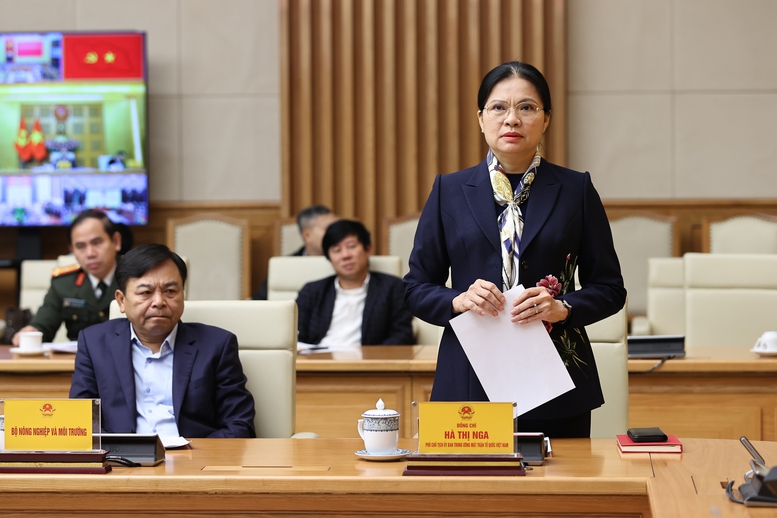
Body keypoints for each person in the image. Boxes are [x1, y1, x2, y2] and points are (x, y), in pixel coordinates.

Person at [403, 61, 626, 438]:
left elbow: (610, 288)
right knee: (470, 478)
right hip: (469, 377)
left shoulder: (576, 191)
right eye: (498, 107)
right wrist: (459, 300)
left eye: (526, 107)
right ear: (480, 118)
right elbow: (415, 288)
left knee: (559, 477)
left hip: (556, 377)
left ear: (546, 118)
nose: (512, 119)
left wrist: (563, 308)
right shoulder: (448, 192)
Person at [69, 243, 256, 438]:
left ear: (183, 295)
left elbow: (239, 424)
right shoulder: (94, 343)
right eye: (145, 293)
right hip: (123, 456)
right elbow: (81, 421)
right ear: (121, 300)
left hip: (194, 455)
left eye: (170, 291)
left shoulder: (217, 345)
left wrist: (194, 453)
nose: (159, 302)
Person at [12, 210, 122, 346]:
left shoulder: (136, 276)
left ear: (116, 241)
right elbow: (43, 325)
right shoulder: (64, 283)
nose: (90, 253)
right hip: (79, 357)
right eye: (80, 246)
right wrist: (31, 332)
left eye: (97, 243)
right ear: (72, 251)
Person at [296, 219, 413, 347]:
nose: (345, 255)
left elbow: (402, 335)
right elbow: (295, 335)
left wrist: (372, 357)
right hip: (318, 357)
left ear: (367, 249)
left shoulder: (392, 287)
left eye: (351, 246)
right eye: (337, 250)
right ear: (329, 258)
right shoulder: (312, 291)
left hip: (368, 358)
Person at [252, 204, 338, 300]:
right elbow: (259, 301)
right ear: (307, 236)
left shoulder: (342, 263)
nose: (335, 233)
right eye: (329, 228)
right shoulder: (284, 267)